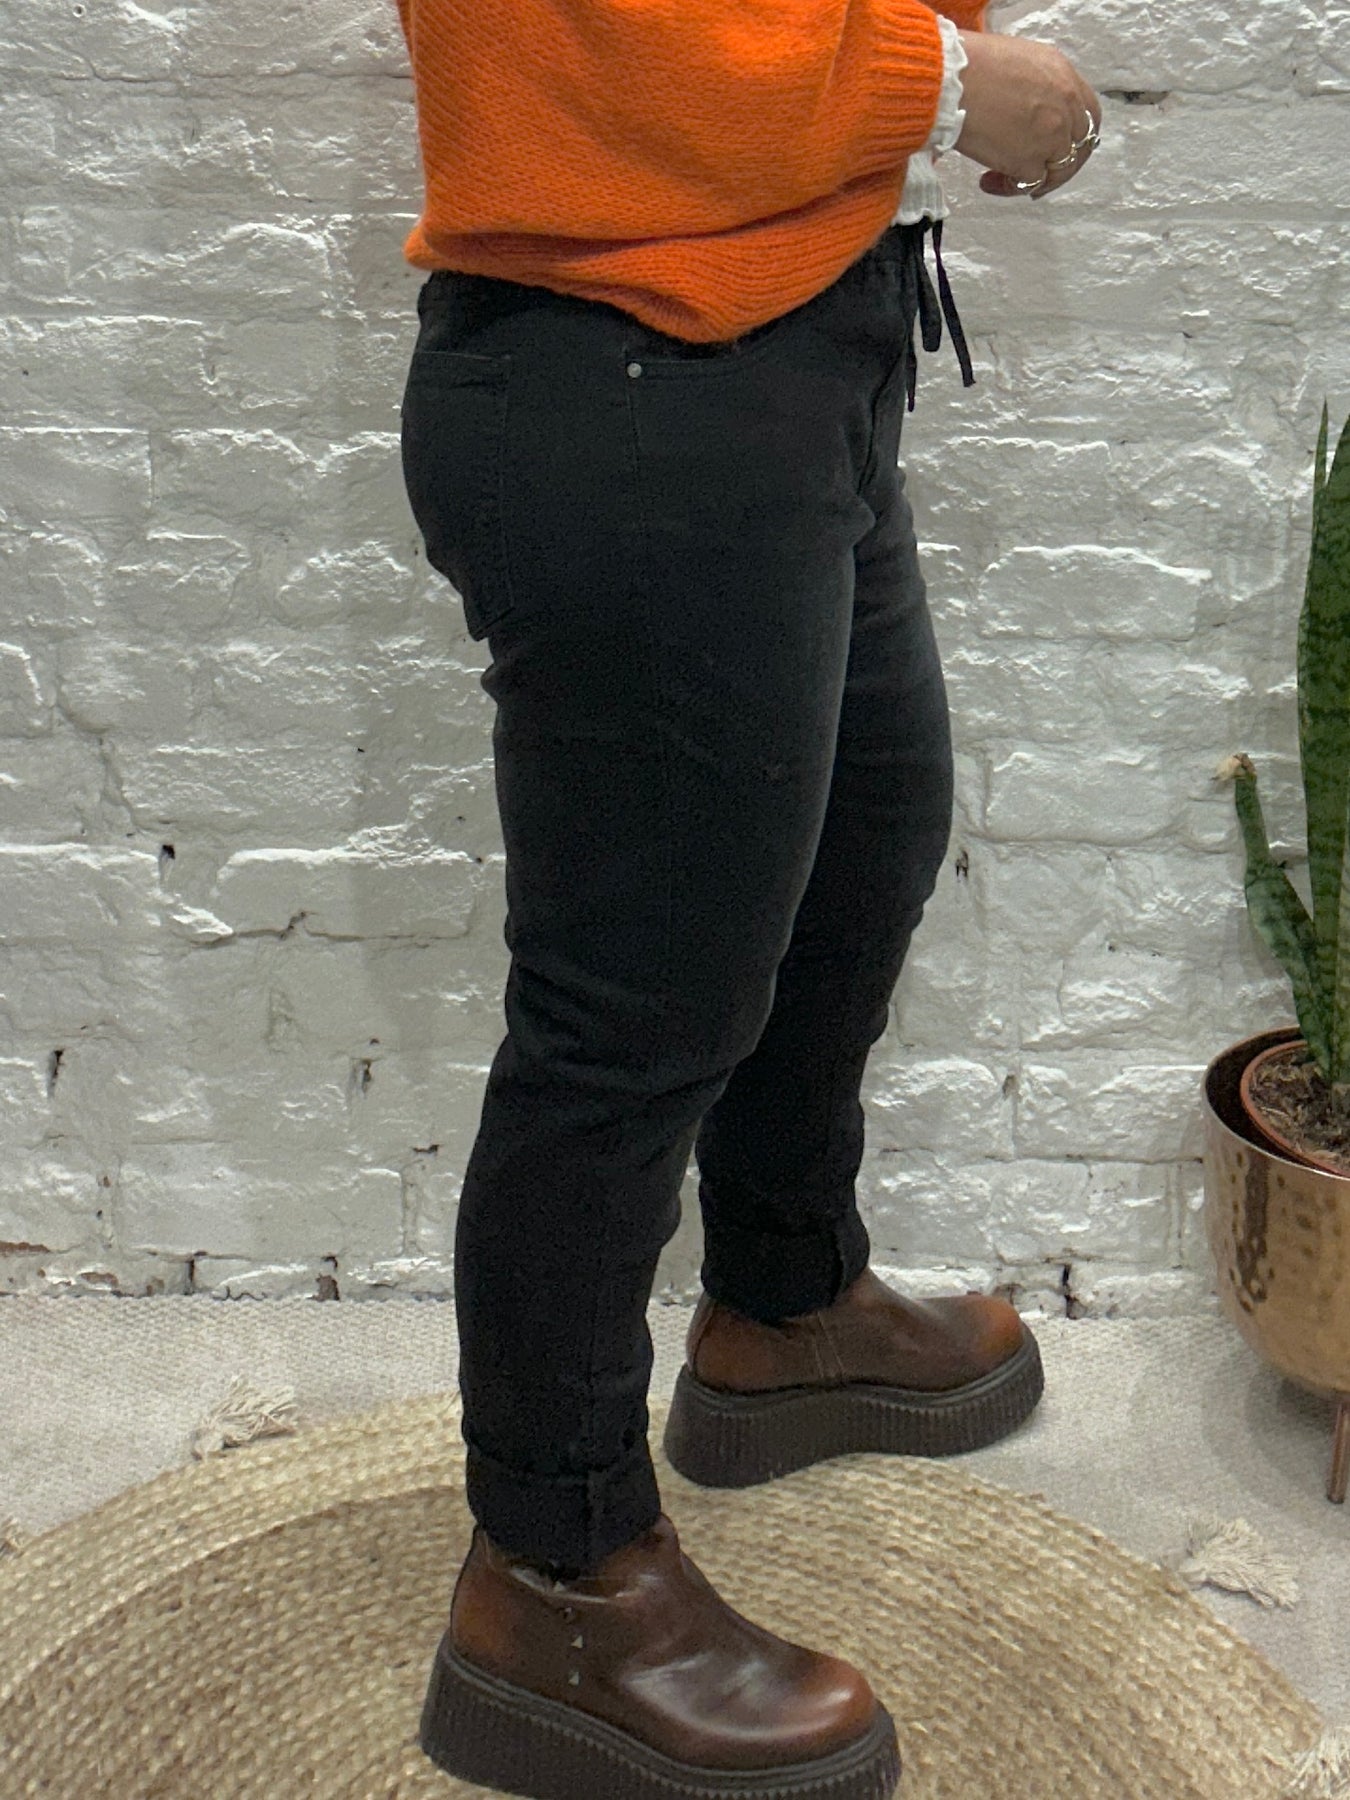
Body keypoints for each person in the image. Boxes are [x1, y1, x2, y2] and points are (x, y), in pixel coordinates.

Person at [394, 2, 1101, 1794]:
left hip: (808, 335)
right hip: (623, 366)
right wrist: (950, 83)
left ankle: (782, 1309)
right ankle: (549, 1575)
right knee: (630, 1016)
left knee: (867, 841)